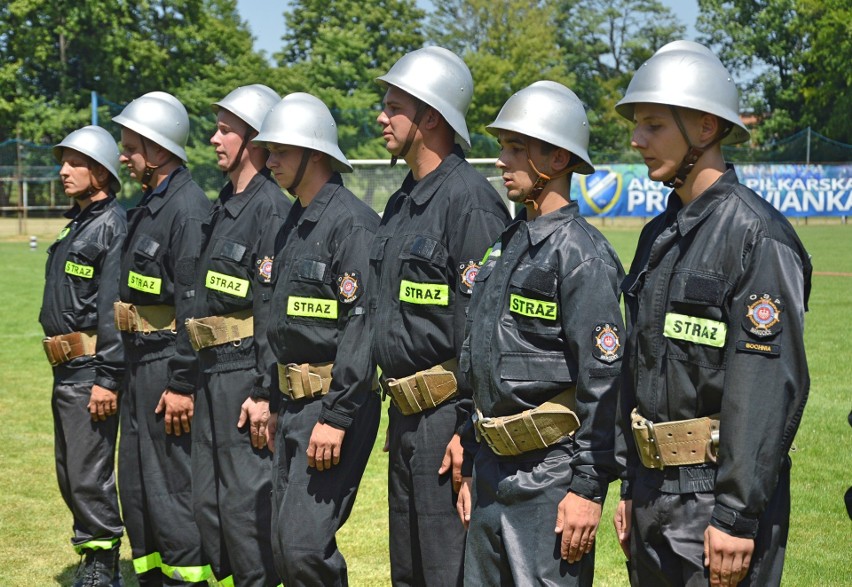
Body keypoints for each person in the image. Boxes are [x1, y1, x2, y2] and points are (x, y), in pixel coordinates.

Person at [612, 40, 812, 587]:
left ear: (704, 128)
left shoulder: (757, 237)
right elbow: (639, 367)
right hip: (654, 495)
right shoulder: (659, 236)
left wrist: (736, 514)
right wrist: (630, 483)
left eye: (653, 124)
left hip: (714, 506)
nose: (637, 139)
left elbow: (766, 387)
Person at [456, 81, 625, 585]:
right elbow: (479, 355)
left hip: (551, 476)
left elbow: (604, 382)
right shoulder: (505, 245)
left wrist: (588, 489)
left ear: (554, 158)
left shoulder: (581, 255)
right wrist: (469, 449)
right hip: (491, 470)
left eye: (515, 148)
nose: (501, 160)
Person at [371, 46, 511, 586]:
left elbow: (486, 328)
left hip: (445, 425)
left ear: (431, 116)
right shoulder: (402, 202)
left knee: (446, 570)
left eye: (393, 106)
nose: (382, 117)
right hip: (405, 420)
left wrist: (466, 431)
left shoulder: (470, 202)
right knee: (408, 571)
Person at [254, 92, 381, 586]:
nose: (271, 160)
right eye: (268, 150)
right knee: (285, 547)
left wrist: (337, 415)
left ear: (317, 154)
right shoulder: (291, 223)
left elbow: (362, 325)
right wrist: (270, 396)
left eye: (282, 150)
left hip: (331, 408)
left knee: (305, 548)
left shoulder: (352, 225)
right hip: (291, 404)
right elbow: (277, 321)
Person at [186, 84, 286, 587]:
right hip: (209, 373)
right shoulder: (225, 203)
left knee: (247, 516)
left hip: (243, 378)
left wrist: (264, 391)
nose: (214, 138)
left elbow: (273, 311)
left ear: (255, 140)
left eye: (226, 129)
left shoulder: (270, 210)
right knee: (210, 508)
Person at [113, 91, 212, 586]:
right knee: (138, 490)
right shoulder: (150, 205)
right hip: (139, 366)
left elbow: (195, 306)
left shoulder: (188, 210)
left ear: (156, 148)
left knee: (172, 491)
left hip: (165, 371)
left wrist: (181, 381)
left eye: (130, 146)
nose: (123, 156)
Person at [41, 126, 127, 587]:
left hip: (90, 369)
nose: (63, 171)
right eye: (63, 162)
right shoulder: (80, 222)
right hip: (66, 369)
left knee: (87, 472)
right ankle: (92, 550)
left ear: (99, 170)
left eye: (74, 163)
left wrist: (107, 379)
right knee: (70, 471)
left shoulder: (112, 226)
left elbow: (115, 310)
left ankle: (102, 562)